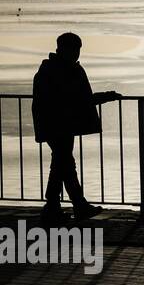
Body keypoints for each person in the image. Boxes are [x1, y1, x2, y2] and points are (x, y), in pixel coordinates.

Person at [32, 33, 121, 223]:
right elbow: (76, 100)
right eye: (74, 50)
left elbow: (75, 99)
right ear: (64, 49)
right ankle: (72, 206)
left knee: (61, 164)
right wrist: (104, 97)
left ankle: (55, 207)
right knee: (63, 163)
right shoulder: (61, 71)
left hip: (57, 124)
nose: (77, 54)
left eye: (78, 50)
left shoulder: (51, 69)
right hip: (60, 125)